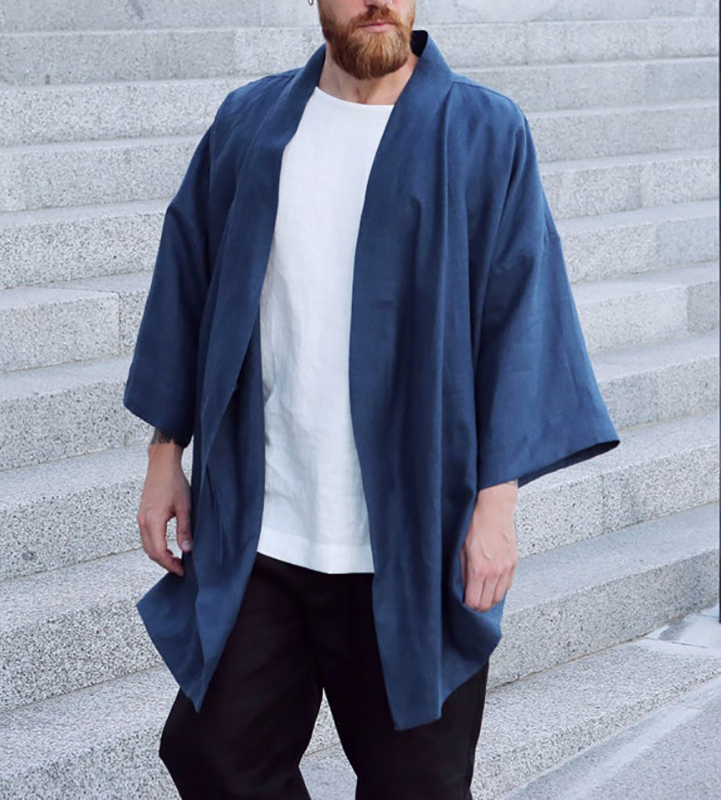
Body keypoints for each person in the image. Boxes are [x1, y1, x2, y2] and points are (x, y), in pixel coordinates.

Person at [123, 0, 620, 797]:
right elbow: (189, 279)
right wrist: (164, 452)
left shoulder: (482, 131)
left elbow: (521, 315)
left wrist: (496, 506)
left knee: (415, 786)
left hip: (413, 537)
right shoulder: (251, 123)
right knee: (211, 753)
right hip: (267, 528)